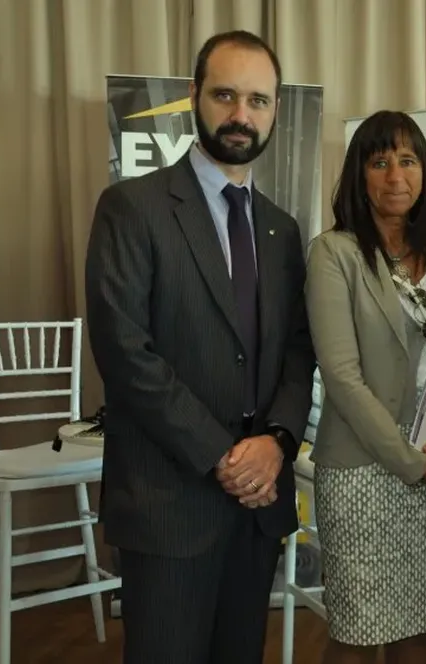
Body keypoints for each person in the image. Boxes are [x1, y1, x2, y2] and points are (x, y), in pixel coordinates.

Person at [85, 30, 316, 664]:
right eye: (225, 95)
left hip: (257, 509)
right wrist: (224, 457)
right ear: (194, 97)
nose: (242, 115)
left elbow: (298, 351)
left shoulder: (282, 229)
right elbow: (125, 352)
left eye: (259, 101)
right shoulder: (132, 208)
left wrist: (275, 443)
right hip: (170, 506)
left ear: (274, 111)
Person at [304, 110, 426, 664]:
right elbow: (342, 377)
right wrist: (411, 461)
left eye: (407, 160)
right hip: (364, 468)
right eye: (379, 162)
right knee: (359, 632)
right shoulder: (333, 252)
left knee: (422, 624)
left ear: (424, 171)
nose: (395, 175)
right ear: (359, 175)